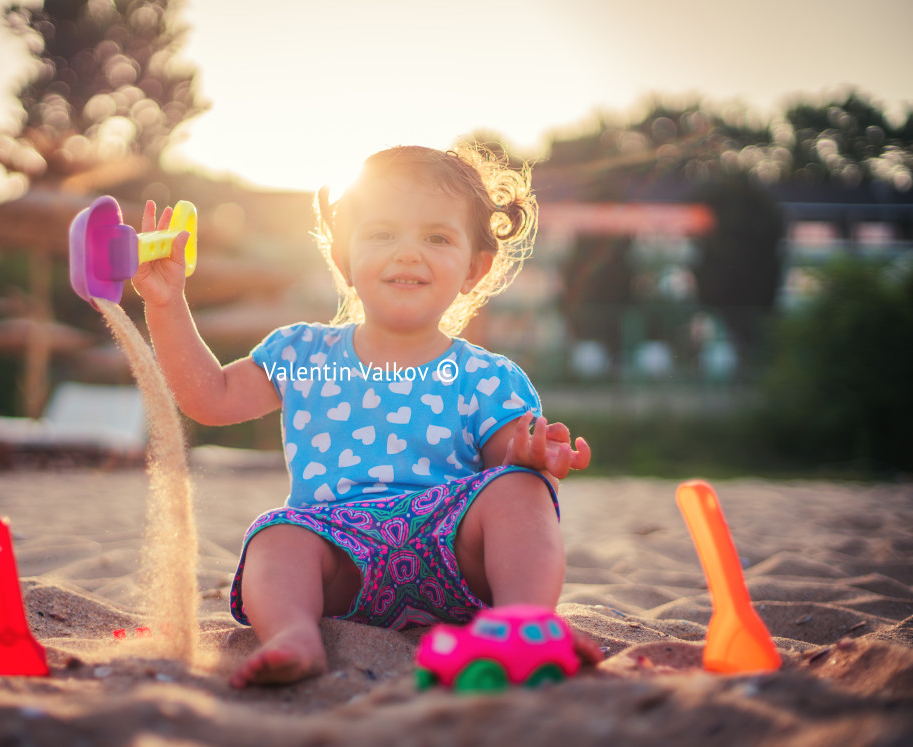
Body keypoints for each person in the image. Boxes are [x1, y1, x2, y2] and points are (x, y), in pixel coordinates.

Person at [134, 145, 599, 688]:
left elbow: (505, 473)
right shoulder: (301, 354)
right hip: (337, 556)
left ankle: (523, 623)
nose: (407, 253)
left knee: (520, 491)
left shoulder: (488, 377)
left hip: (449, 554)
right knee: (276, 536)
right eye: (381, 234)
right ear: (342, 259)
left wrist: (531, 458)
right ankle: (295, 635)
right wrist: (166, 305)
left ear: (475, 268)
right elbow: (208, 398)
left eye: (437, 237)